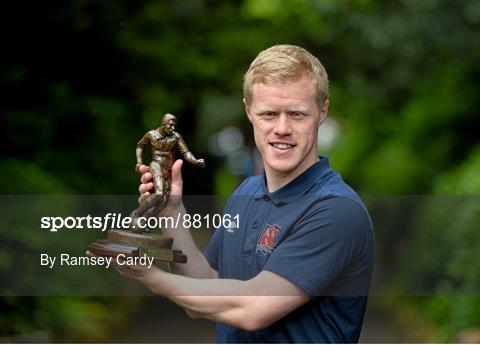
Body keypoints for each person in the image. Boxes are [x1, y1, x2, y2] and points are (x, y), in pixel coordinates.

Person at [107, 45, 374, 343]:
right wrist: (172, 213)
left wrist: (151, 277)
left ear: (322, 111)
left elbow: (253, 308)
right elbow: (205, 287)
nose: (282, 128)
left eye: (297, 114)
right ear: (249, 110)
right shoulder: (246, 192)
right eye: (269, 113)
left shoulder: (335, 209)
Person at [130, 113, 205, 233]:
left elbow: (186, 152)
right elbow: (140, 146)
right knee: (159, 193)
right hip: (156, 165)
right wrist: (139, 162)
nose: (172, 128)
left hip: (167, 169)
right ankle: (136, 214)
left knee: (163, 202)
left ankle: (143, 221)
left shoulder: (176, 137)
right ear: (163, 124)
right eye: (170, 125)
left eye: (174, 126)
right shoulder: (151, 135)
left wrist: (195, 161)